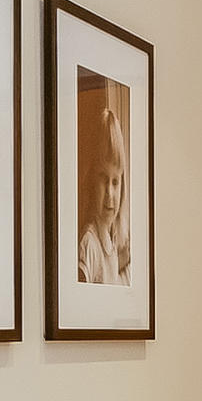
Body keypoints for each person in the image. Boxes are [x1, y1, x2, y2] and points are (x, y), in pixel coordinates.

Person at [77, 95, 130, 285]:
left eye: (115, 182)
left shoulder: (111, 239)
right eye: (103, 179)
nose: (110, 193)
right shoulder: (89, 244)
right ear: (91, 182)